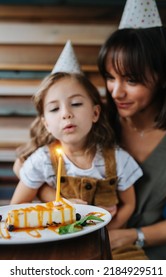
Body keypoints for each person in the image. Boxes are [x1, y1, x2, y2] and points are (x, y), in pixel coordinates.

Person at [11, 72, 143, 232]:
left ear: (95, 113)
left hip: (110, 240)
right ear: (46, 124)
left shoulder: (118, 159)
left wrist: (107, 235)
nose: (66, 113)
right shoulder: (41, 161)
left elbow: (129, 204)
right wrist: (55, 207)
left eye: (75, 104)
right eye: (54, 108)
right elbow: (16, 208)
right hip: (57, 239)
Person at [97, 23, 166, 259]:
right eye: (110, 77)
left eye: (131, 80)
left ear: (162, 78)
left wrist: (132, 235)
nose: (116, 92)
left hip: (150, 253)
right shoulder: (97, 123)